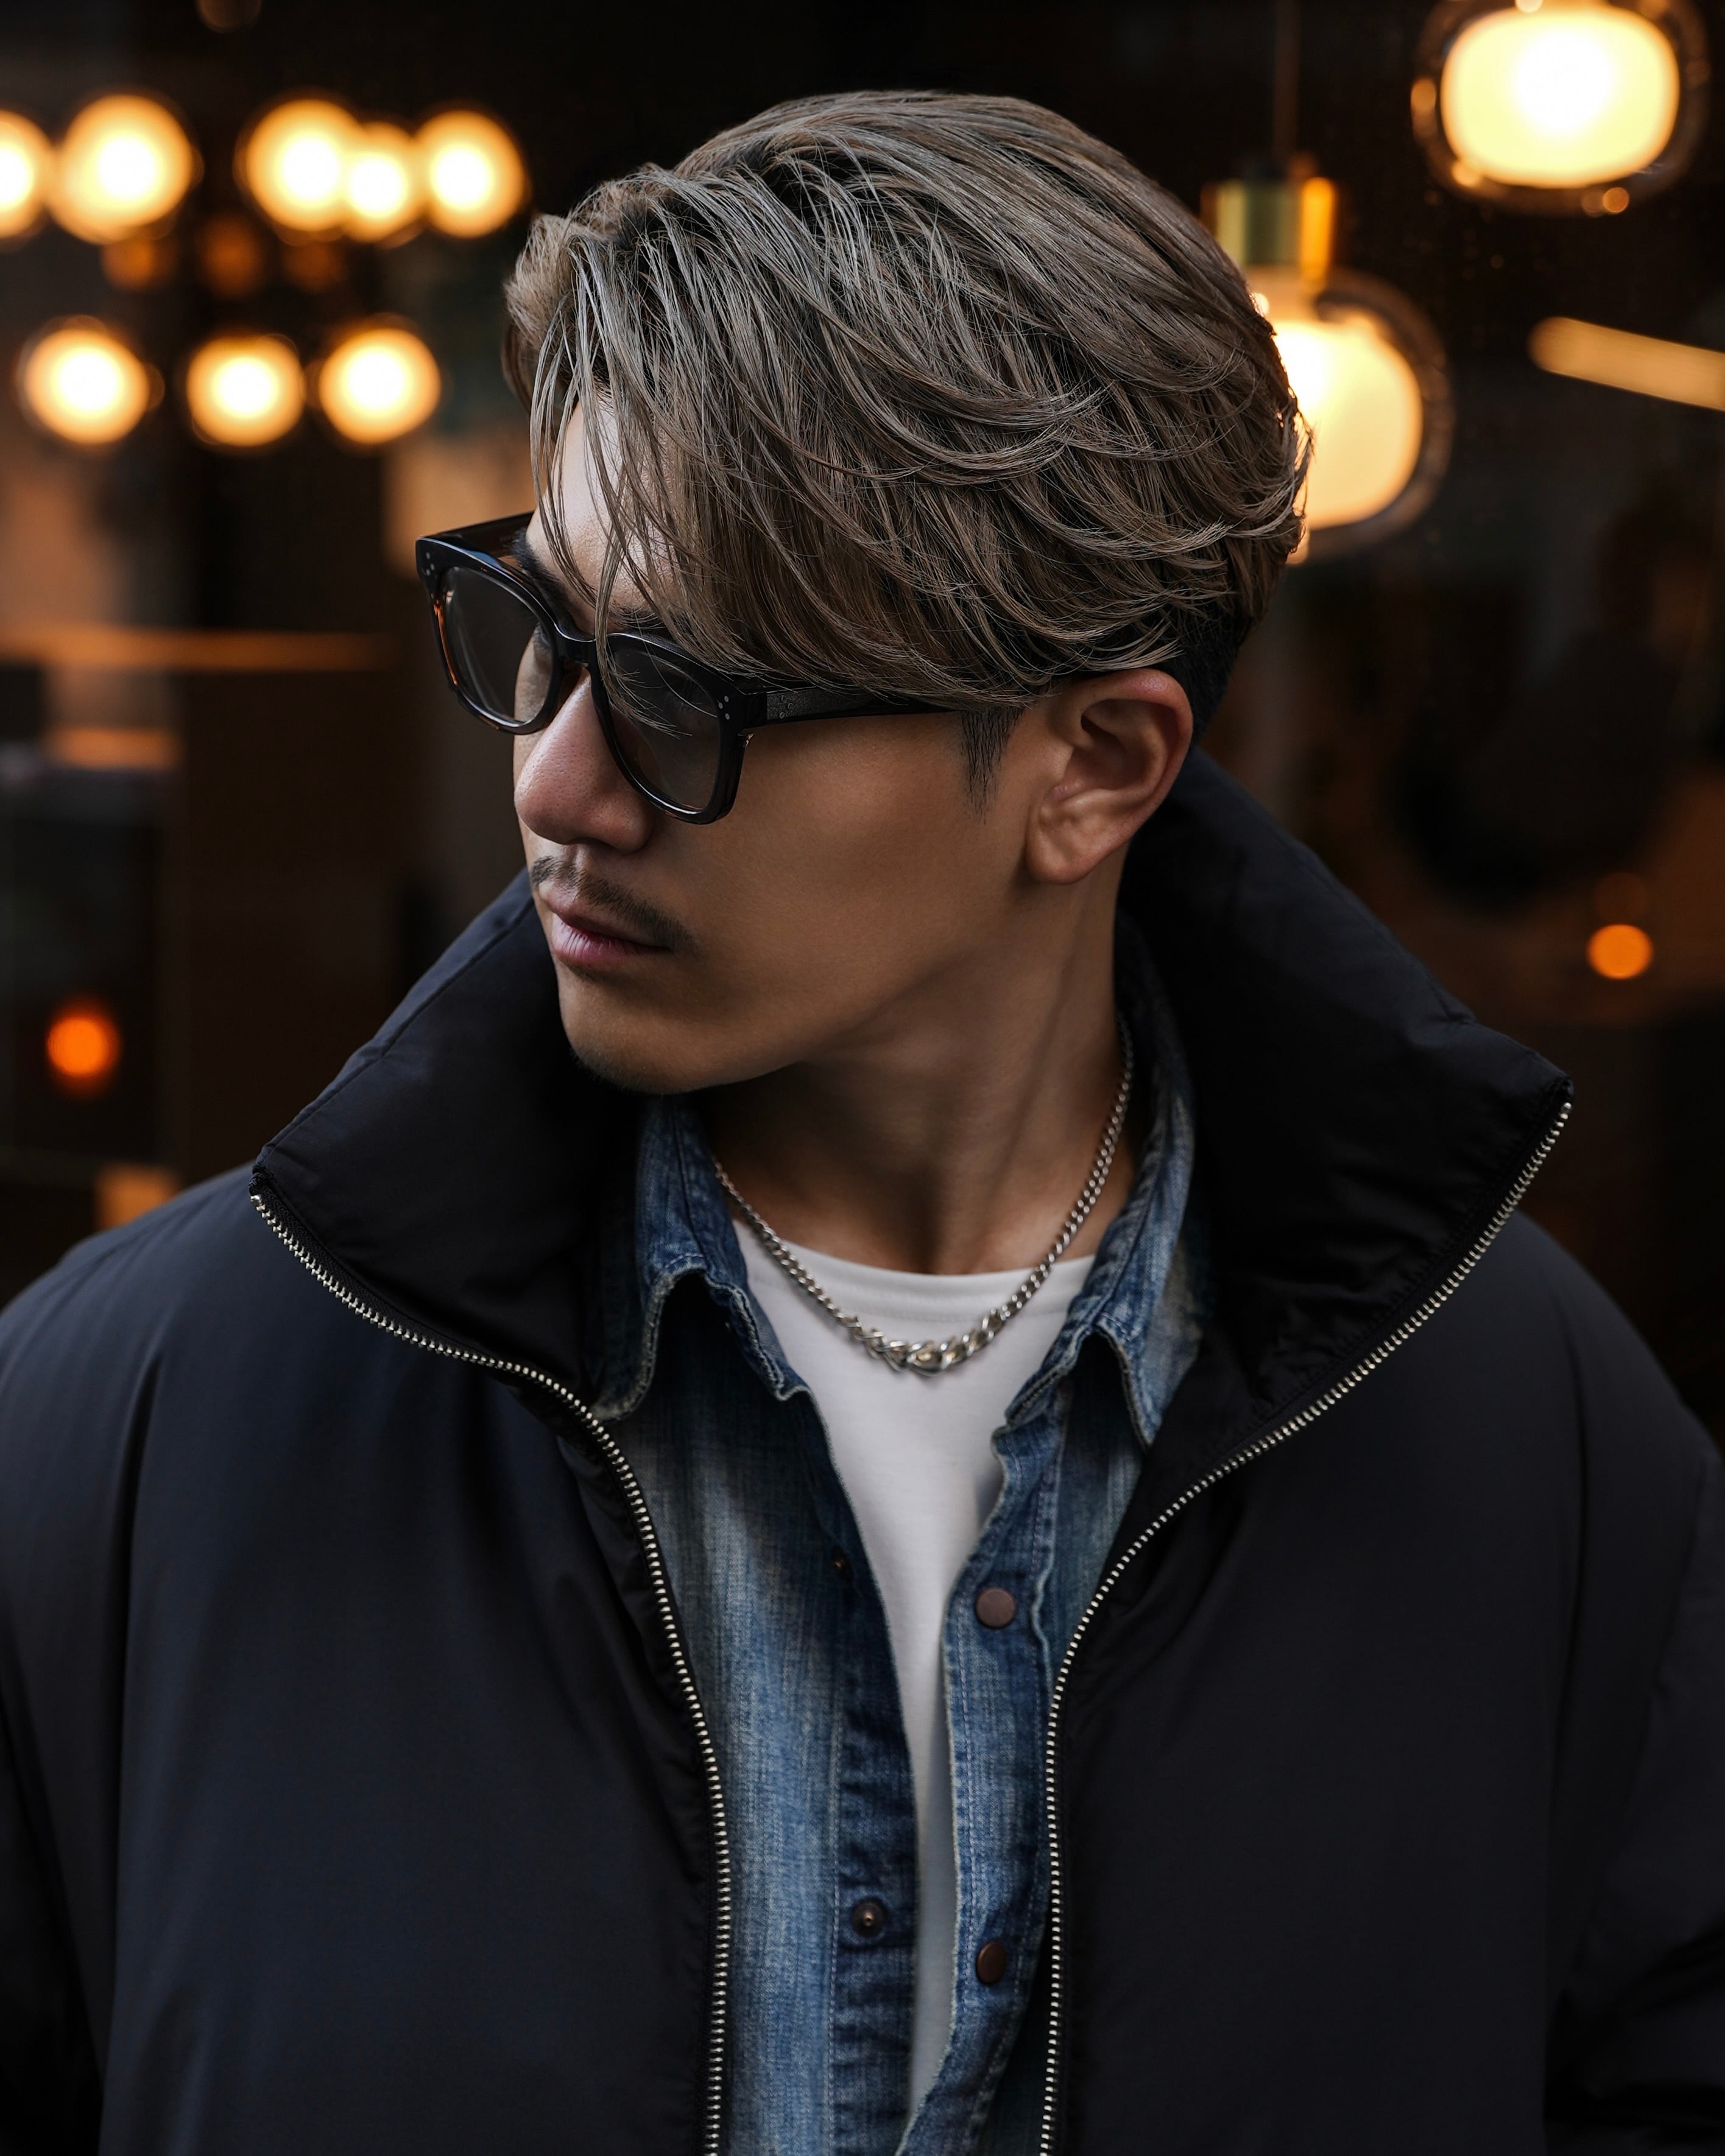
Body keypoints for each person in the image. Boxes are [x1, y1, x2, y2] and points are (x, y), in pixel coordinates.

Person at [1, 91, 1721, 2156]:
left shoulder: (1534, 1437)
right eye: (537, 632)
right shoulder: (136, 1411)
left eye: (688, 696)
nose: (554, 784)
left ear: (1095, 767)